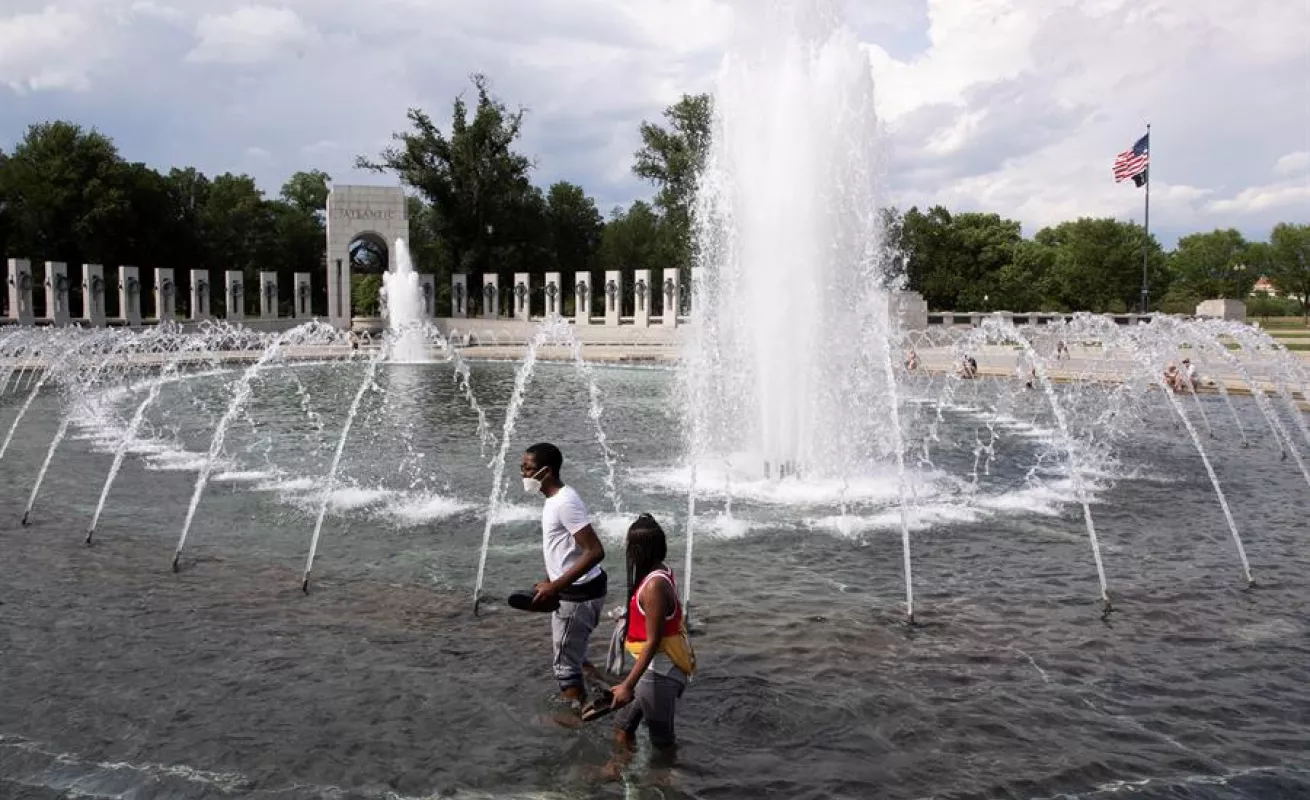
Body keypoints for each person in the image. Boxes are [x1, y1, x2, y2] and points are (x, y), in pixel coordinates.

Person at [521, 442, 607, 709]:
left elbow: (595, 551)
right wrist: (549, 580)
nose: (523, 474)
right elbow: (562, 549)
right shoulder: (554, 500)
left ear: (546, 472)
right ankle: (605, 693)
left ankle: (575, 717)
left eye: (528, 469)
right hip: (577, 591)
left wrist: (555, 586)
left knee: (564, 667)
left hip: (578, 596)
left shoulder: (565, 502)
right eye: (522, 467)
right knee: (575, 653)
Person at [609, 514, 696, 762]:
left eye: (629, 546)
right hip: (651, 671)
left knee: (662, 742)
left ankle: (666, 777)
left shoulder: (653, 586)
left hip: (659, 674)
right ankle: (619, 769)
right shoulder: (661, 571)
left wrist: (627, 685)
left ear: (639, 551)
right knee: (622, 728)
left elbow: (654, 640)